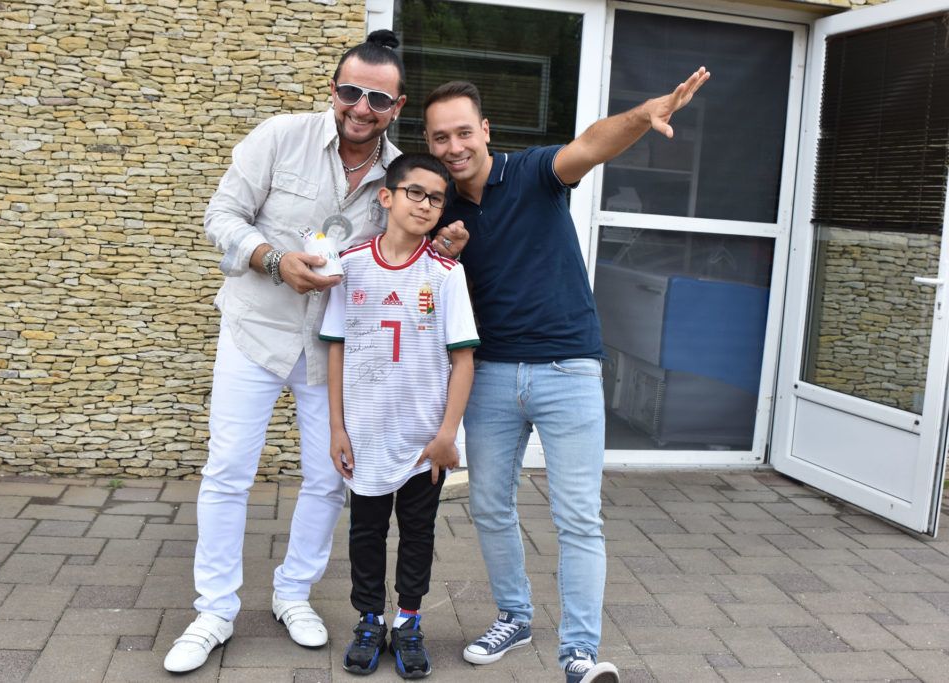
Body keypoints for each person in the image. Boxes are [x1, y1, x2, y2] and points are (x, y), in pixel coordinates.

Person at [163, 31, 467, 674]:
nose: (361, 107)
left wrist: (441, 249)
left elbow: (403, 252)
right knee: (229, 470)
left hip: (334, 352)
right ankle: (214, 610)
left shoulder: (399, 175)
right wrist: (273, 260)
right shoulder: (281, 137)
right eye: (351, 91)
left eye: (378, 99)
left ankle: (293, 593)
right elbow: (222, 216)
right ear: (334, 89)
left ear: (397, 107)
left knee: (330, 477)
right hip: (256, 330)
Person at [422, 70, 710, 683]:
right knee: (488, 505)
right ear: (429, 142)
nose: (454, 146)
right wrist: (444, 255)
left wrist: (643, 115)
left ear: (485, 130)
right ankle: (515, 616)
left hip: (567, 367)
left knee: (579, 517)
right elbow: (419, 286)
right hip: (491, 374)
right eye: (441, 137)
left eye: (464, 132)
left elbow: (591, 144)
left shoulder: (531, 172)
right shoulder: (440, 209)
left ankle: (579, 654)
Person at [321, 152, 478, 678]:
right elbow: (337, 348)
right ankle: (369, 620)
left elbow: (463, 360)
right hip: (366, 433)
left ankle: (408, 621)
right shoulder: (350, 265)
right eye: (416, 192)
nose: (426, 204)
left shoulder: (446, 274)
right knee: (365, 533)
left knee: (418, 532)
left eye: (437, 198)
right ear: (387, 196)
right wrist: (337, 427)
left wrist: (447, 435)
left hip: (423, 439)